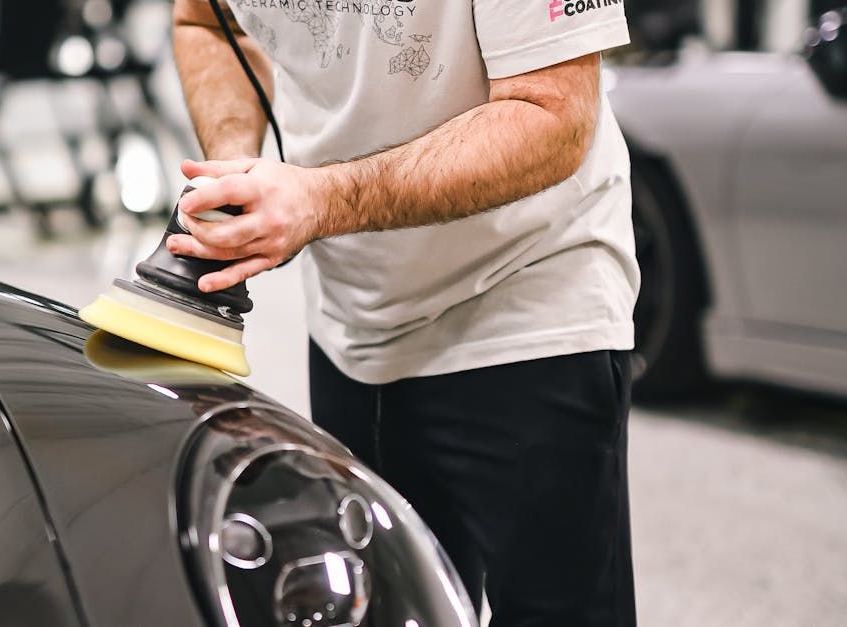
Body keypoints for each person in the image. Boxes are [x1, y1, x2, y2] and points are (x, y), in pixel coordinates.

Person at [169, 0, 638, 624]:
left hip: (525, 304)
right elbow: (207, 21)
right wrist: (234, 165)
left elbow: (554, 118)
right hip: (354, 320)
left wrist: (321, 202)